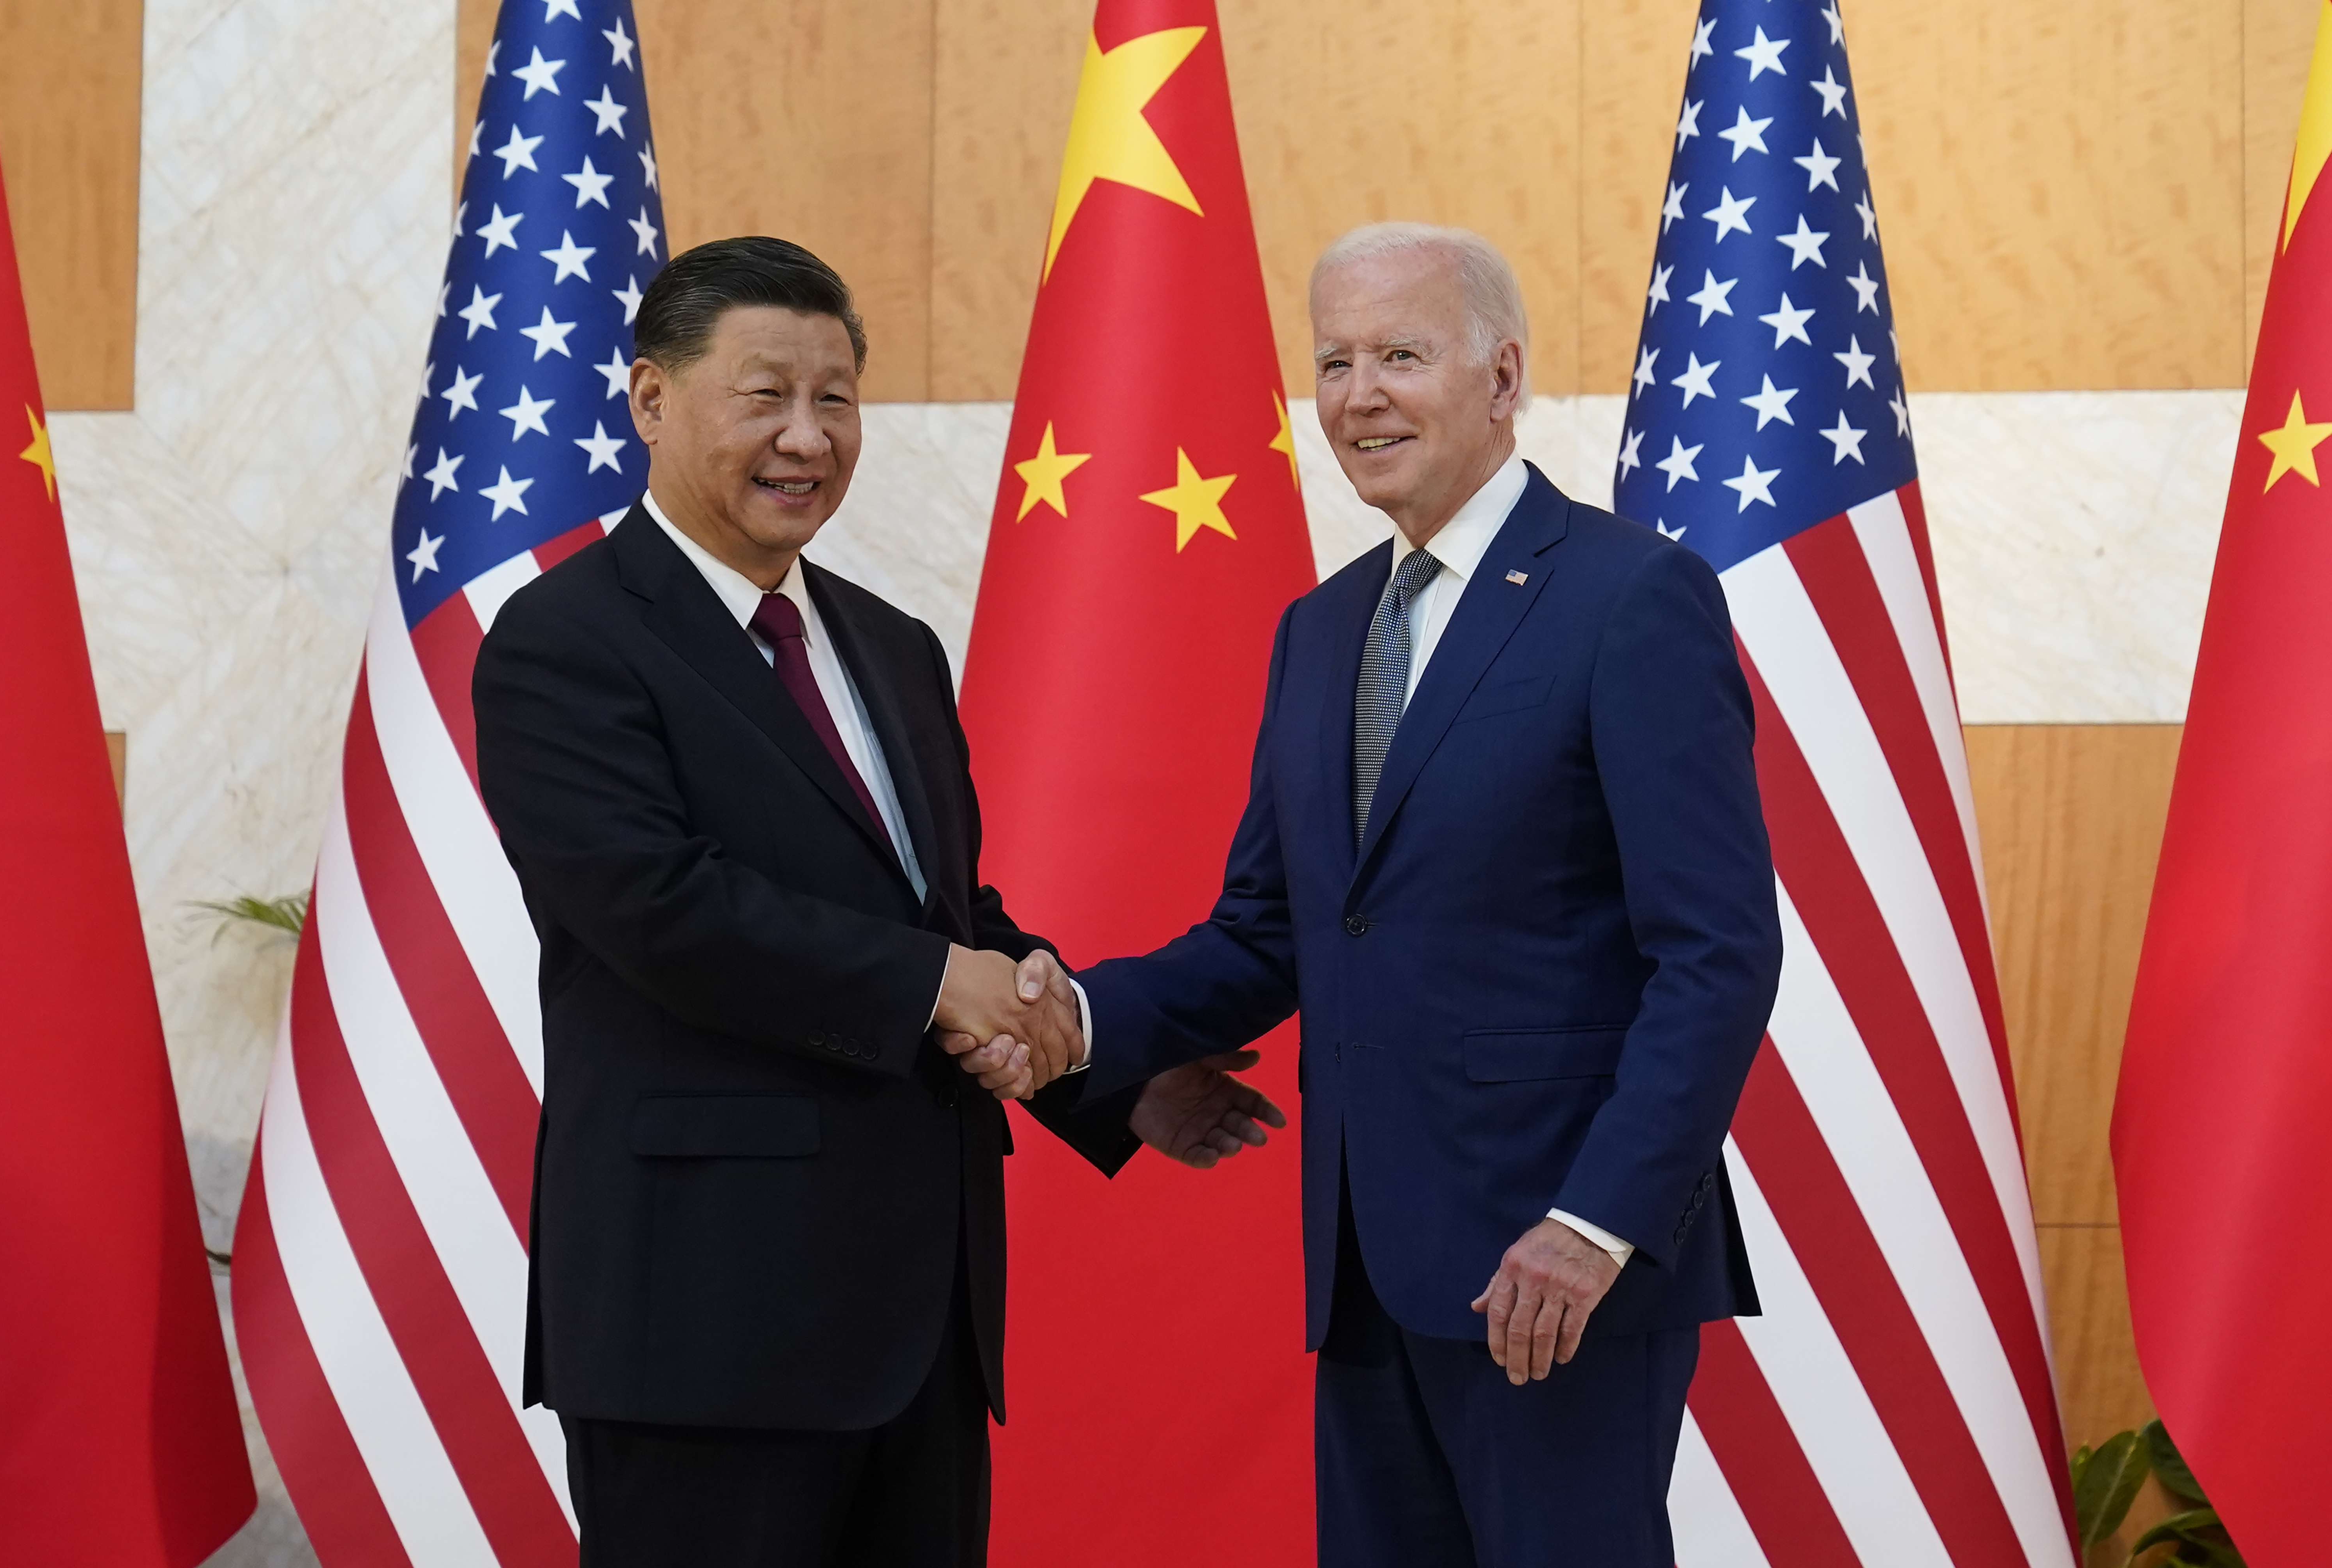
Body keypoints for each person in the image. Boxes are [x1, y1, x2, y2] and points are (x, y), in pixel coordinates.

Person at [471, 236, 1282, 1567]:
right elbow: (658, 908)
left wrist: (1094, 1062)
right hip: (709, 1329)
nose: (808, 437)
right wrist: (936, 986)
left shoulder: (891, 646)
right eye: (765, 395)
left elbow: (944, 914)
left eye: (837, 397)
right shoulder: (566, 641)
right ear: (651, 400)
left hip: (921, 1324)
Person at [1051, 223, 1782, 1564]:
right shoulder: (1322, 629)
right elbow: (1273, 933)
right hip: (1369, 1264)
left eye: (1400, 354)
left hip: (1556, 1275)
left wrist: (1592, 1225)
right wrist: (1076, 1031)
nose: (1359, 395)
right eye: (1332, 362)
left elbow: (1719, 954)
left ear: (1502, 377)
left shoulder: (1633, 597)